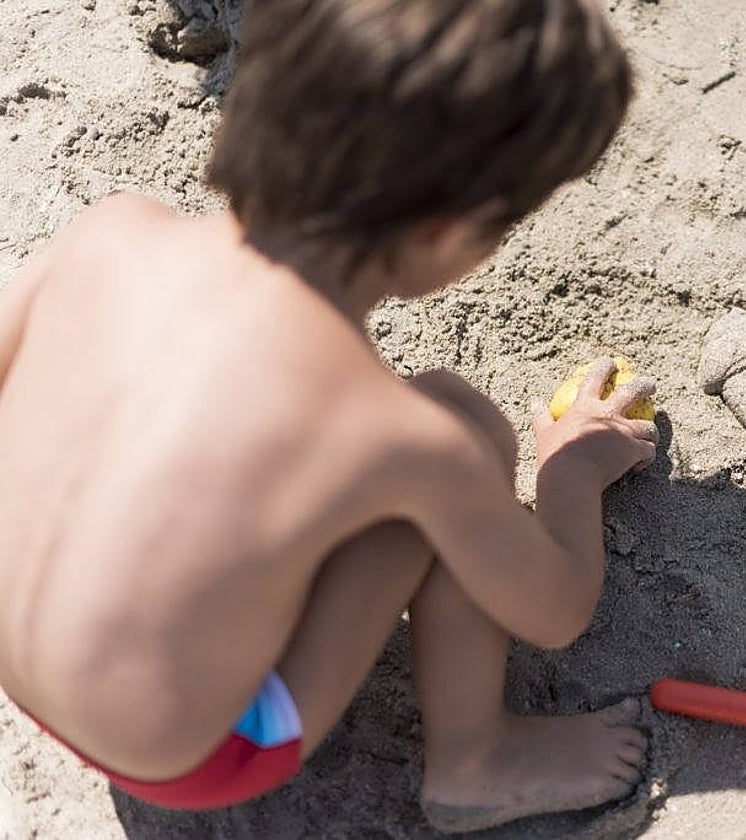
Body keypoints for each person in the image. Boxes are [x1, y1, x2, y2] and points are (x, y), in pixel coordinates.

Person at [0, 0, 658, 832]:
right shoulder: (396, 436)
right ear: (453, 232)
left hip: (23, 671)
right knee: (461, 429)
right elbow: (557, 611)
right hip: (193, 756)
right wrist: (571, 470)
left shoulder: (109, 235)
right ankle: (477, 761)